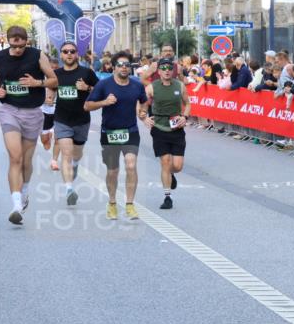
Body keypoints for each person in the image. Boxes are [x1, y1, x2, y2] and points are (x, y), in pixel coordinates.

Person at [0, 25, 58, 224]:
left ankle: (24, 192)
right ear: (8, 42)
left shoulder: (37, 55)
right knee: (15, 157)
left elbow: (54, 80)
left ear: (26, 42)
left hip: (32, 113)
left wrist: (37, 83)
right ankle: (16, 206)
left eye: (21, 46)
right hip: (9, 111)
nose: (18, 50)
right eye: (14, 46)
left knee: (25, 161)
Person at [84, 50, 148, 220]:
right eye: (120, 65)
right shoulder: (104, 85)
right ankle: (112, 203)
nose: (124, 68)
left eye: (127, 65)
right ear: (114, 67)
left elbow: (144, 101)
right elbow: (87, 106)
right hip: (109, 132)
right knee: (113, 171)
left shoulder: (137, 85)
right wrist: (104, 102)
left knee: (131, 165)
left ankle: (130, 204)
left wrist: (143, 112)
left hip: (130, 131)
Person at [52, 41, 99, 206]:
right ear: (61, 54)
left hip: (81, 120)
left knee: (76, 154)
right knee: (66, 154)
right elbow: (50, 90)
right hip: (62, 119)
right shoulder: (55, 74)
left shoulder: (86, 73)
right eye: (65, 51)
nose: (69, 54)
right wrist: (48, 98)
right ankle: (69, 190)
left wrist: (87, 88)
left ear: (77, 54)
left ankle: (76, 164)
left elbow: (101, 91)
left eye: (72, 51)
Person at [144, 57, 190, 209]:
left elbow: (187, 103)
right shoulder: (152, 87)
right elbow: (142, 104)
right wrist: (144, 117)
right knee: (165, 162)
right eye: (163, 68)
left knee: (177, 166)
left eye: (169, 68)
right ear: (158, 71)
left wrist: (185, 117)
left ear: (173, 71)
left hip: (176, 129)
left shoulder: (179, 85)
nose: (167, 71)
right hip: (159, 128)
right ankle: (167, 197)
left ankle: (170, 174)